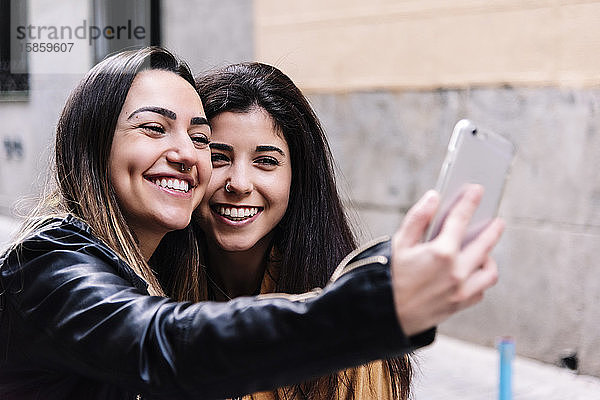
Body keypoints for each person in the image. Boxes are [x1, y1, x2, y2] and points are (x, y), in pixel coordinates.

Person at [0, 46, 503, 400]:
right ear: (90, 147)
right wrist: (375, 305)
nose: (184, 153)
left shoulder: (145, 269)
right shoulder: (49, 264)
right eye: (154, 128)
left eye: (198, 138)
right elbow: (167, 347)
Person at [192, 62, 410, 399]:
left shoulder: (348, 327)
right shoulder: (148, 293)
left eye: (266, 161)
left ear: (298, 178)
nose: (239, 183)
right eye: (219, 157)